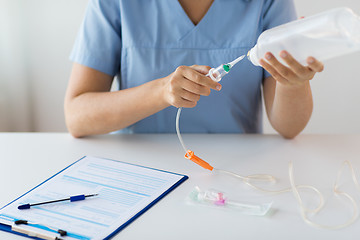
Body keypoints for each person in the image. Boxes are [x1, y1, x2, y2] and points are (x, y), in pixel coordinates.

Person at [65, 0, 324, 139]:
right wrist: (161, 92)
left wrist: (293, 82)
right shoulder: (115, 3)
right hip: (140, 171)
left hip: (237, 171)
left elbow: (288, 128)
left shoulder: (267, 3)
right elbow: (77, 117)